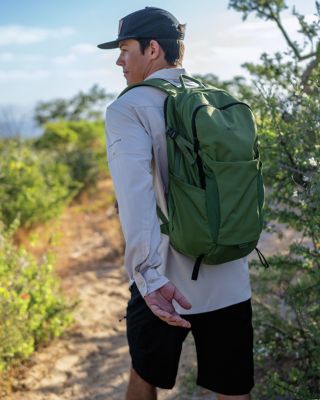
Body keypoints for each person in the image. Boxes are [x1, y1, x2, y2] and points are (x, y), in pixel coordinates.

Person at [97, 7, 254, 400]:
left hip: (165, 283)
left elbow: (135, 200)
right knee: (233, 387)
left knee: (143, 378)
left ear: (153, 49)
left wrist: (148, 279)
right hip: (230, 275)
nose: (119, 60)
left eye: (125, 48)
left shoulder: (127, 108)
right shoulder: (218, 101)